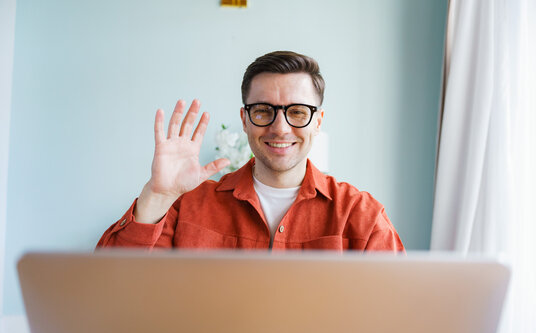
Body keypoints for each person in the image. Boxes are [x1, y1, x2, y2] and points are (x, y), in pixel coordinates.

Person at [97, 51, 404, 251]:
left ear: (317, 122)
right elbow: (111, 289)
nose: (280, 128)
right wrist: (157, 196)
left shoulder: (361, 216)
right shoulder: (186, 205)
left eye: (297, 112)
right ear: (245, 120)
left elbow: (398, 317)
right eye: (262, 111)